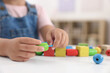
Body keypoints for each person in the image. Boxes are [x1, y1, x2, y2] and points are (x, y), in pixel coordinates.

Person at [0, 0, 69, 62]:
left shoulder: (38, 9)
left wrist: (56, 35)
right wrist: (6, 47)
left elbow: (48, 32)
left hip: (34, 64)